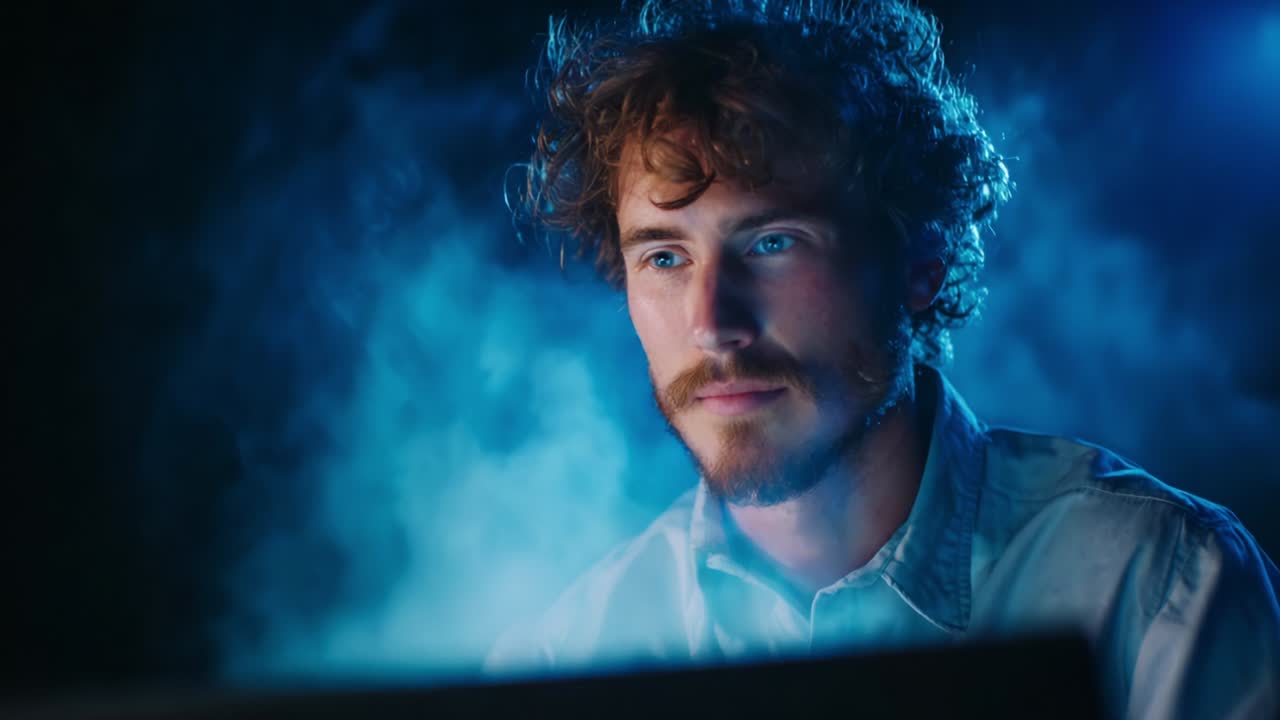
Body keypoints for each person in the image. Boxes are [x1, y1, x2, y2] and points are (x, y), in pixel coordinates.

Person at [485, 1, 1280, 717]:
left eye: (772, 242)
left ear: (918, 261)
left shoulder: (1156, 587)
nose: (712, 324)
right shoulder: (564, 659)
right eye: (663, 258)